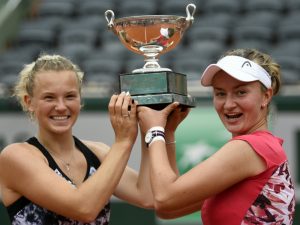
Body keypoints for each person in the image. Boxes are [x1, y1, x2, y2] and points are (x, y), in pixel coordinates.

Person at [137, 48, 296, 224]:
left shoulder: (249, 147)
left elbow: (165, 197)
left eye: (240, 92)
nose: (228, 104)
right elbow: (168, 209)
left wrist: (155, 131)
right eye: (220, 93)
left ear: (266, 96)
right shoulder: (261, 147)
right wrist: (167, 132)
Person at [0, 54, 154, 224]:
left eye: (70, 96)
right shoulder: (15, 156)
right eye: (49, 97)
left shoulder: (98, 152)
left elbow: (147, 195)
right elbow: (83, 209)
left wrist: (154, 129)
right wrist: (123, 142)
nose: (61, 106)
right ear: (29, 102)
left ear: (80, 99)